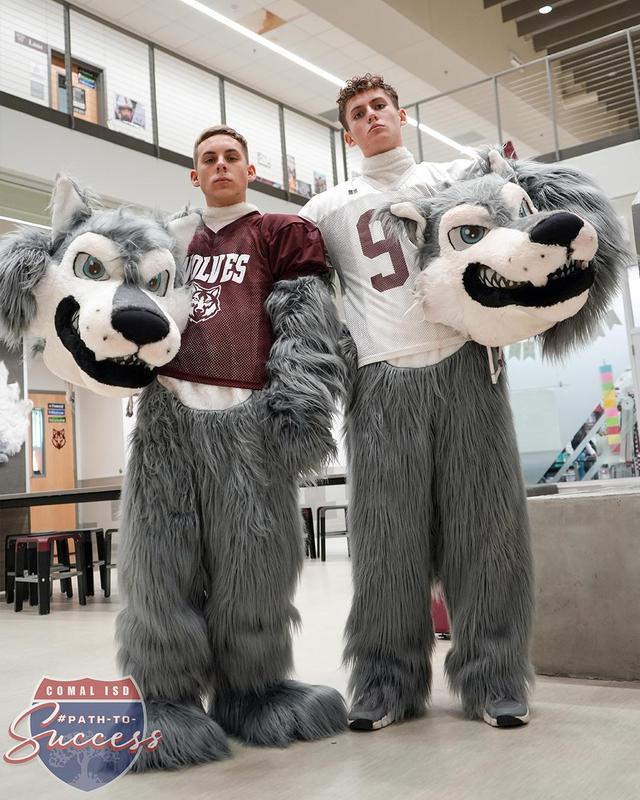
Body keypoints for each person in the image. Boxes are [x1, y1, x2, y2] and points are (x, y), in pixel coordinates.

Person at [301, 75, 534, 731]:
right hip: (380, 381)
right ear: (348, 132)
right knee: (385, 545)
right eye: (358, 112)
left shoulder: (450, 179)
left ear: (400, 114)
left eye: (380, 106)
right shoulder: (326, 207)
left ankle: (494, 680)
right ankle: (385, 685)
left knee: (486, 533)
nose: (372, 116)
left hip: (467, 367)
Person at [114, 124, 348, 771]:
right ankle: (163, 698)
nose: (219, 165)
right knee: (160, 565)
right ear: (194, 174)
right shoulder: (168, 240)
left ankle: (254, 691)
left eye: (230, 157)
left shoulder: (280, 233)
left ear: (249, 168)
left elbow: (306, 325)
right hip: (168, 419)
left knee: (256, 563)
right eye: (207, 159)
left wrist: (299, 407)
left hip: (249, 419)